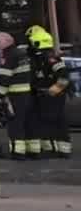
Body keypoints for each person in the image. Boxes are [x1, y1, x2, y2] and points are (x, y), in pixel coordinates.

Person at [27, 26, 71, 159]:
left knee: (57, 122)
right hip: (41, 97)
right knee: (42, 123)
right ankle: (49, 148)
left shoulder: (53, 59)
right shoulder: (36, 60)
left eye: (31, 42)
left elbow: (64, 79)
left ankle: (63, 150)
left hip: (54, 97)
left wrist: (51, 93)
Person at [0, 30, 34, 159]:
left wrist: (0, 95)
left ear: (8, 41)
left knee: (15, 124)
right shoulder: (22, 54)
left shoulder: (8, 56)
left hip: (14, 95)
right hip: (26, 93)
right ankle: (32, 150)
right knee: (26, 122)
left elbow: (4, 79)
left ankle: (18, 152)